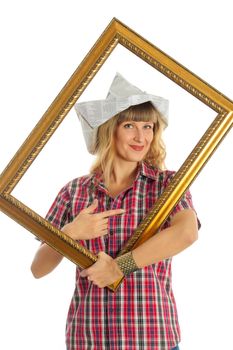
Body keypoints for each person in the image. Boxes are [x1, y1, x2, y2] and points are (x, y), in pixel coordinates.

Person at [31, 73, 199, 350]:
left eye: (148, 126)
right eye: (130, 125)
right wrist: (71, 232)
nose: (141, 136)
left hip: (151, 338)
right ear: (110, 129)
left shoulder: (166, 185)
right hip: (89, 339)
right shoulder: (74, 192)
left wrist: (119, 268)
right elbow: (38, 269)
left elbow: (186, 233)